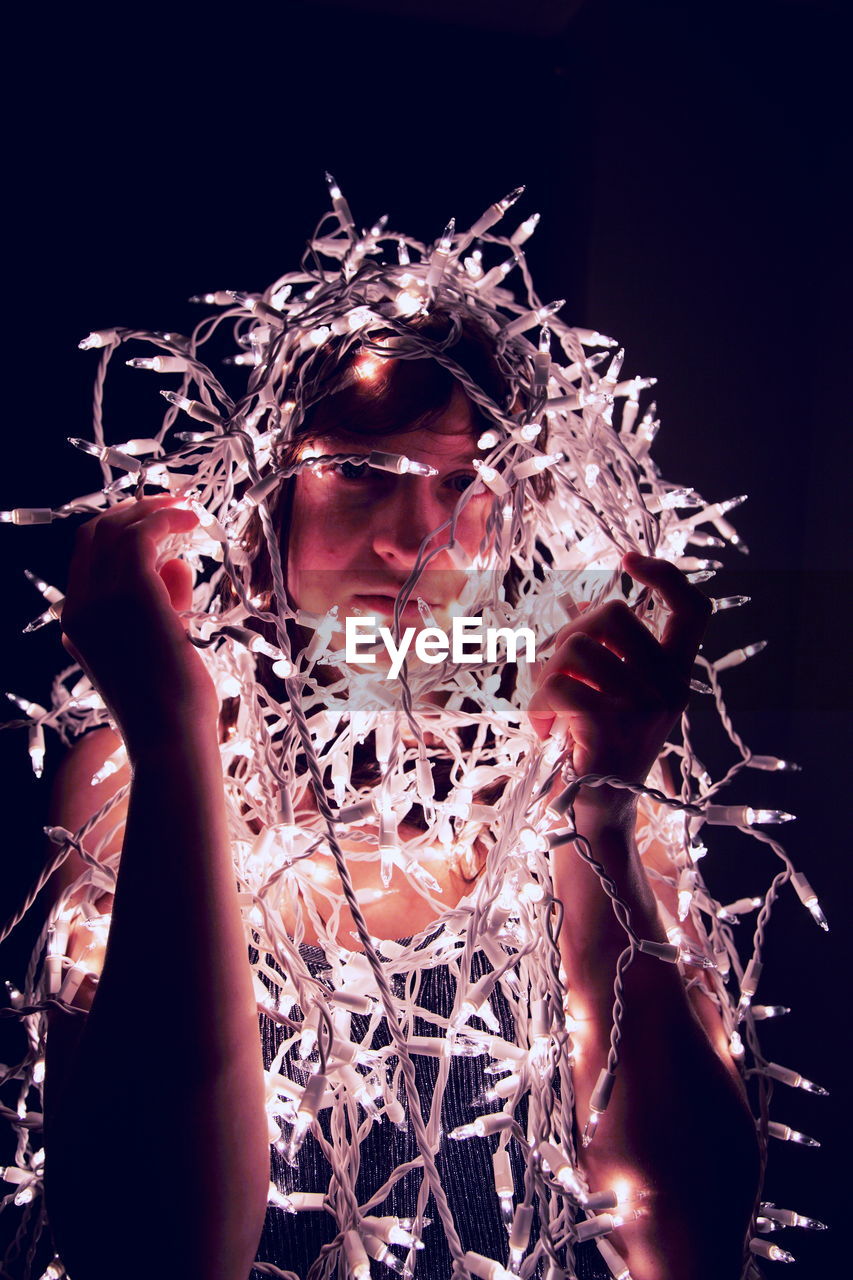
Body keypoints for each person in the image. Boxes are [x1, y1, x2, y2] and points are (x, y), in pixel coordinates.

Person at [9, 197, 763, 1280]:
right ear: (265, 498)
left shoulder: (595, 771)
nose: (418, 535)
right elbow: (149, 1249)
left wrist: (594, 807)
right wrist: (179, 746)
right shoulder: (134, 774)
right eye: (361, 469)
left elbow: (683, 1243)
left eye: (466, 481)